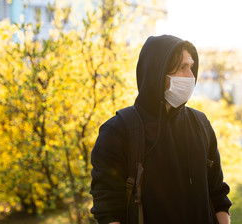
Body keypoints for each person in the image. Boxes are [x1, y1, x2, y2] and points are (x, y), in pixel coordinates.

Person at [90, 35, 232, 224]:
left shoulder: (200, 123)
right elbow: (108, 210)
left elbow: (218, 194)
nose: (191, 77)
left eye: (192, 67)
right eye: (182, 68)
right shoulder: (118, 131)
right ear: (157, 72)